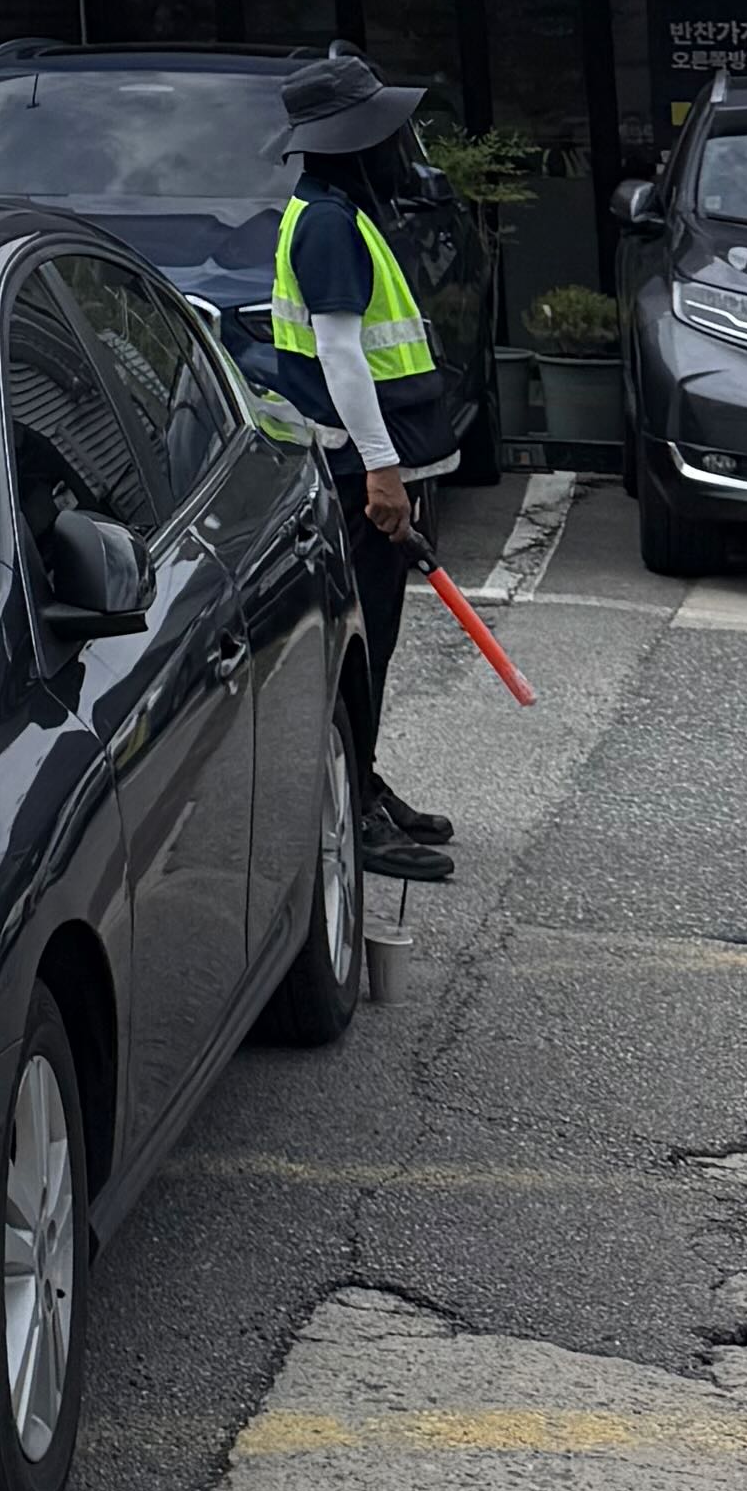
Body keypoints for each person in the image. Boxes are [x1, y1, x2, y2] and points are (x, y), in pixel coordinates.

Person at [267, 47, 459, 885]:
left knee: (369, 640)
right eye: (384, 132)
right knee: (362, 643)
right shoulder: (329, 224)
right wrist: (383, 471)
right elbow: (342, 357)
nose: (397, 146)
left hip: (361, 464)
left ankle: (365, 785)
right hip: (355, 473)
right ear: (352, 140)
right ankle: (351, 810)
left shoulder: (333, 210)